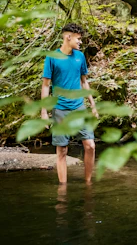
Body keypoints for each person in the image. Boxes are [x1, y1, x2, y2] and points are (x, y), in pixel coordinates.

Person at [41, 23, 98, 184]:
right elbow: (45, 85)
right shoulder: (52, 57)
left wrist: (92, 105)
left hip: (79, 107)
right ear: (68, 37)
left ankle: (88, 183)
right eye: (78, 39)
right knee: (62, 151)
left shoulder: (80, 57)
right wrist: (44, 112)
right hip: (60, 109)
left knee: (90, 146)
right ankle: (63, 188)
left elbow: (84, 82)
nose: (80, 42)